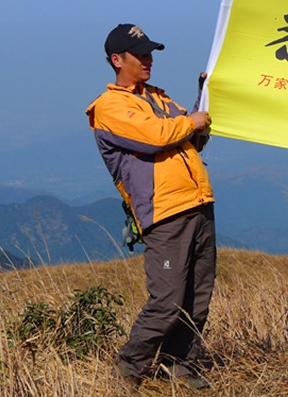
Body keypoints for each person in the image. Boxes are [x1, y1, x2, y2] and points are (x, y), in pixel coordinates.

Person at [86, 23, 216, 390]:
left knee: (197, 295)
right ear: (117, 60)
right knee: (167, 300)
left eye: (150, 54)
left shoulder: (158, 98)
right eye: (140, 55)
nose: (148, 61)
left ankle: (181, 367)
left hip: (198, 202)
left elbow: (191, 136)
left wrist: (204, 97)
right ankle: (129, 368)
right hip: (164, 213)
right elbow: (156, 137)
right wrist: (190, 121)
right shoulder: (109, 106)